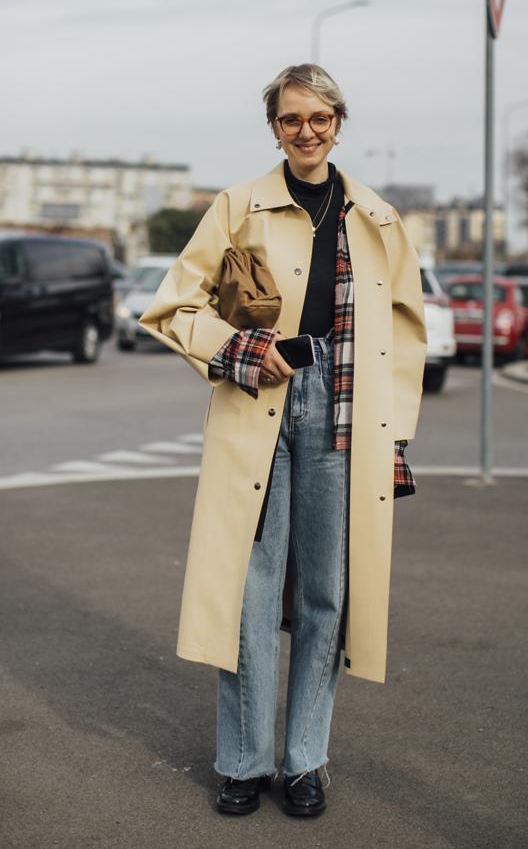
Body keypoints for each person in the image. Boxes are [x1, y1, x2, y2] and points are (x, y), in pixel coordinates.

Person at [138, 63, 427, 818]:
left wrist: (395, 438)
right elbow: (173, 306)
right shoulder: (239, 205)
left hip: (345, 409)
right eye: (291, 118)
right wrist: (239, 350)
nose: (306, 131)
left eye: (319, 118)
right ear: (275, 126)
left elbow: (404, 336)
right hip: (259, 400)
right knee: (250, 591)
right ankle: (241, 761)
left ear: (338, 123)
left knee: (329, 594)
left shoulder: (378, 217)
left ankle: (305, 761)